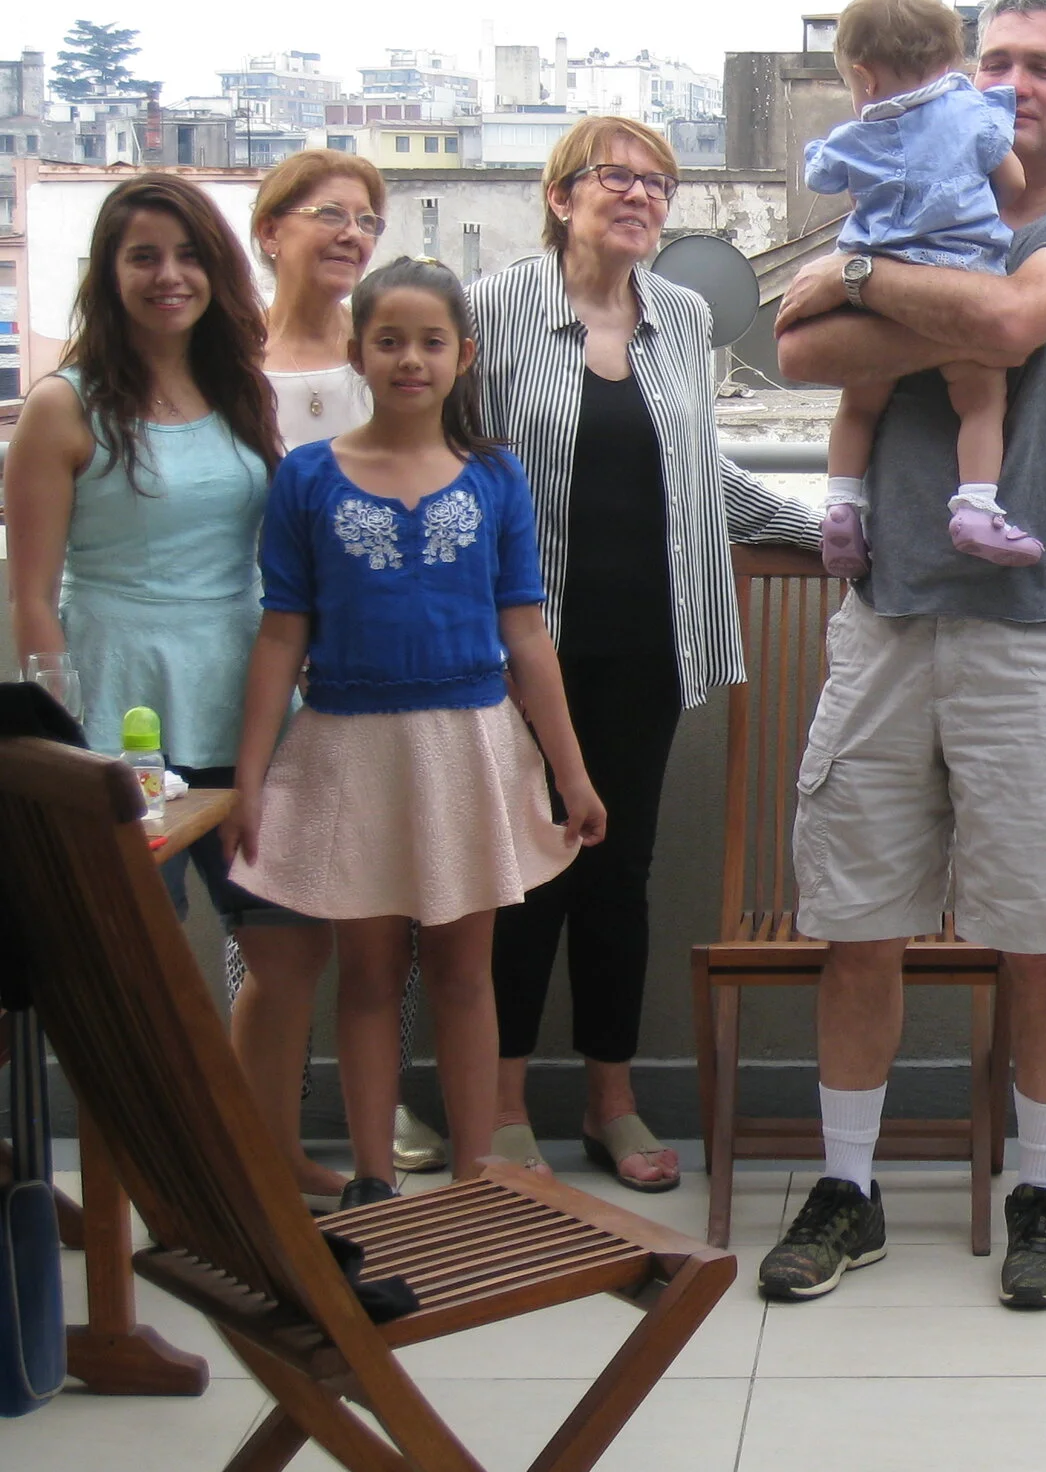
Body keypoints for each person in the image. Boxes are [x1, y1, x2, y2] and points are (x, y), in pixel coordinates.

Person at [766, 0, 1046, 1309]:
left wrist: (864, 272)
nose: (1013, 82)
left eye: (1044, 66)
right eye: (992, 59)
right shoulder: (911, 187)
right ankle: (848, 1187)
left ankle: (1041, 1188)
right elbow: (793, 346)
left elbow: (999, 325)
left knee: (1044, 929)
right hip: (885, 615)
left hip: (1037, 631)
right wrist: (879, 289)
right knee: (859, 923)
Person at [471, 116, 822, 1195]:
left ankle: (611, 1101)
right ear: (560, 193)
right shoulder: (490, 313)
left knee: (617, 871)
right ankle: (500, 1106)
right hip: (521, 645)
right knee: (522, 877)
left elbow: (699, 473)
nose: (639, 195)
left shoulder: (677, 315)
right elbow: (451, 464)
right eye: (614, 177)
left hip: (650, 642)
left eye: (657, 182)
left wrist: (824, 531)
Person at [226, 258, 606, 1200]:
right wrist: (247, 779)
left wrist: (574, 773)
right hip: (349, 749)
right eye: (388, 340)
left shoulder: (493, 478)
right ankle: (369, 1177)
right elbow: (281, 635)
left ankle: (478, 1177)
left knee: (464, 973)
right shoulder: (307, 478)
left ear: (463, 355)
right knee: (365, 975)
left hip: (469, 748)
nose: (409, 359)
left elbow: (526, 632)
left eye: (431, 341)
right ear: (357, 352)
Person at [2, 176, 287, 1082]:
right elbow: (35, 595)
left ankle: (262, 1165)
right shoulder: (63, 405)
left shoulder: (243, 388)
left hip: (245, 710)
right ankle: (149, 1185)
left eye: (189, 254)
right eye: (144, 257)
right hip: (122, 723)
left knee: (284, 951)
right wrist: (68, 739)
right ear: (109, 273)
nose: (170, 275)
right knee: (139, 968)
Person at [225, 148, 451, 1190]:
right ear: (270, 231)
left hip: (372, 686)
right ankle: (267, 1141)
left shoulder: (381, 360)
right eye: (329, 212)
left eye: (368, 216)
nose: (353, 231)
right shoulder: (226, 369)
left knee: (375, 919)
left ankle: (368, 1126)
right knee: (270, 926)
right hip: (256, 660)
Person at [802, 0, 1034, 573]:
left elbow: (823, 177)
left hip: (877, 282)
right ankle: (978, 509)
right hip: (962, 276)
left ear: (864, 76)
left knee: (859, 404)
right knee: (982, 399)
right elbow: (1014, 183)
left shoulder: (854, 137)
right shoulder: (974, 114)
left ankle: (841, 507)